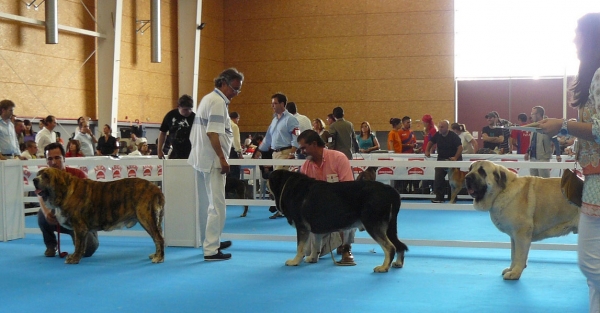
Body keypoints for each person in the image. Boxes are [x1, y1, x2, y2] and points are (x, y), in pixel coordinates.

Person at [537, 13, 600, 313]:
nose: (575, 39)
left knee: (590, 264)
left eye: (579, 33)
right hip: (593, 180)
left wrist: (564, 126)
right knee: (593, 274)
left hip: (599, 183)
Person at [188, 68, 243, 261]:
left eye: (238, 90)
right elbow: (212, 133)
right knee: (217, 206)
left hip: (203, 158)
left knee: (213, 204)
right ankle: (211, 249)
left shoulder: (209, 98)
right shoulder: (218, 102)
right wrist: (222, 158)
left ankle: (214, 241)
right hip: (212, 160)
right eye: (234, 88)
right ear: (223, 83)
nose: (235, 93)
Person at [297, 130, 356, 265]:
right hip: (319, 214)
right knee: (308, 252)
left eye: (304, 148)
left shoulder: (338, 158)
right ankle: (329, 243)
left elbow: (349, 189)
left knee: (350, 211)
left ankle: (346, 248)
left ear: (314, 144)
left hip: (341, 208)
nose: (302, 152)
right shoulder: (305, 166)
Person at [37, 142, 99, 257]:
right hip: (60, 219)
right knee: (41, 215)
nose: (54, 162)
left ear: (64, 158)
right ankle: (51, 245)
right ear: (46, 161)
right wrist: (46, 213)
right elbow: (40, 195)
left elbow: (90, 200)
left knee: (88, 250)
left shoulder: (78, 174)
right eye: (50, 159)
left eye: (57, 158)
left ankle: (84, 239)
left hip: (80, 220)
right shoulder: (44, 177)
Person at [253, 93, 300, 218]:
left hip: (286, 153)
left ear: (282, 104)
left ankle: (282, 208)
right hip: (275, 154)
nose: (272, 105)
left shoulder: (291, 119)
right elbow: (268, 138)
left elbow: (297, 135)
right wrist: (258, 151)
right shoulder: (274, 120)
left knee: (276, 182)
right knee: (274, 182)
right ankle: (284, 206)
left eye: (275, 103)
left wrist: (292, 152)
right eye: (272, 103)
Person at [425, 120, 463, 203]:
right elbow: (430, 142)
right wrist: (427, 151)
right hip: (442, 159)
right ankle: (439, 197)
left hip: (453, 160)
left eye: (442, 127)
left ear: (447, 127)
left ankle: (452, 198)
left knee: (454, 180)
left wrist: (455, 158)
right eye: (439, 127)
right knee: (438, 175)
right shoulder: (437, 134)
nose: (440, 129)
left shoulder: (454, 136)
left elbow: (460, 147)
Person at [524, 106, 561, 177]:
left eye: (532, 114)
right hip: (532, 157)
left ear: (538, 114)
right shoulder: (533, 127)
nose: (531, 116)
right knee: (533, 180)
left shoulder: (548, 127)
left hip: (543, 157)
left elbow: (555, 141)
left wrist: (558, 154)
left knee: (544, 181)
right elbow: (532, 142)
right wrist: (527, 152)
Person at [158, 94, 195, 159]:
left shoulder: (194, 117)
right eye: (185, 109)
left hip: (191, 152)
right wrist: (159, 150)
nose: (188, 112)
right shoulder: (170, 115)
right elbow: (162, 133)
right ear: (179, 107)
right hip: (175, 151)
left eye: (190, 109)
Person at [228, 111, 243, 179]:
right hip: (232, 152)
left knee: (228, 174)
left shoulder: (225, 124)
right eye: (238, 119)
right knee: (235, 172)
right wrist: (240, 152)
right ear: (236, 118)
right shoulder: (234, 126)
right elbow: (236, 141)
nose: (238, 121)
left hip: (226, 151)